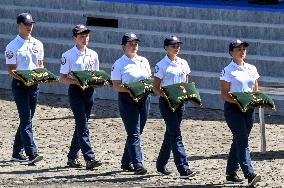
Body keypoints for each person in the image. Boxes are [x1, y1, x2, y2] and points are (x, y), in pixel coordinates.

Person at [59, 24, 102, 170]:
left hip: (89, 92)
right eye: (81, 36)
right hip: (76, 92)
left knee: (80, 126)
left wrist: (100, 81)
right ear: (74, 38)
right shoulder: (68, 55)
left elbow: (95, 75)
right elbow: (62, 78)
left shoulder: (93, 54)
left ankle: (72, 157)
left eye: (86, 36)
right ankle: (89, 158)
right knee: (83, 126)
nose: (85, 39)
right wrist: (76, 81)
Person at [152, 35, 195, 178]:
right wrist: (169, 96)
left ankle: (160, 164)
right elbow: (156, 88)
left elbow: (186, 82)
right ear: (166, 48)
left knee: (170, 133)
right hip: (167, 103)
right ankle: (183, 168)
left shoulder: (183, 63)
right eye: (173, 46)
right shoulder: (161, 65)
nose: (176, 48)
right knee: (176, 134)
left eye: (177, 46)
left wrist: (185, 95)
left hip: (180, 103)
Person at [220, 39, 261, 186]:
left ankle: (231, 174)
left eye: (244, 49)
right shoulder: (228, 70)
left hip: (249, 109)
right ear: (231, 53)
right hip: (233, 109)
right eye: (238, 49)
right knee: (243, 141)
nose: (242, 51)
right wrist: (239, 102)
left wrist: (254, 101)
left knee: (238, 140)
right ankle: (249, 173)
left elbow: (255, 89)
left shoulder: (252, 68)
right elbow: (224, 94)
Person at [5, 13, 44, 165]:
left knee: (26, 119)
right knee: (26, 120)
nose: (29, 27)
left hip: (34, 86)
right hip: (20, 86)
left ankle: (16, 152)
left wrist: (41, 75)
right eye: (26, 24)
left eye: (31, 24)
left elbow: (40, 64)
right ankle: (31, 153)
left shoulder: (38, 44)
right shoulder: (12, 46)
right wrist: (25, 79)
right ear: (18, 25)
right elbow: (11, 70)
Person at [111, 32, 151, 175]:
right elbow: (116, 85)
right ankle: (138, 163)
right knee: (134, 132)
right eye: (130, 44)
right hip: (128, 99)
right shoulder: (119, 64)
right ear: (123, 46)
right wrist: (132, 90)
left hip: (144, 98)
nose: (134, 46)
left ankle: (126, 161)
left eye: (135, 44)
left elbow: (149, 79)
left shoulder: (144, 61)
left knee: (138, 131)